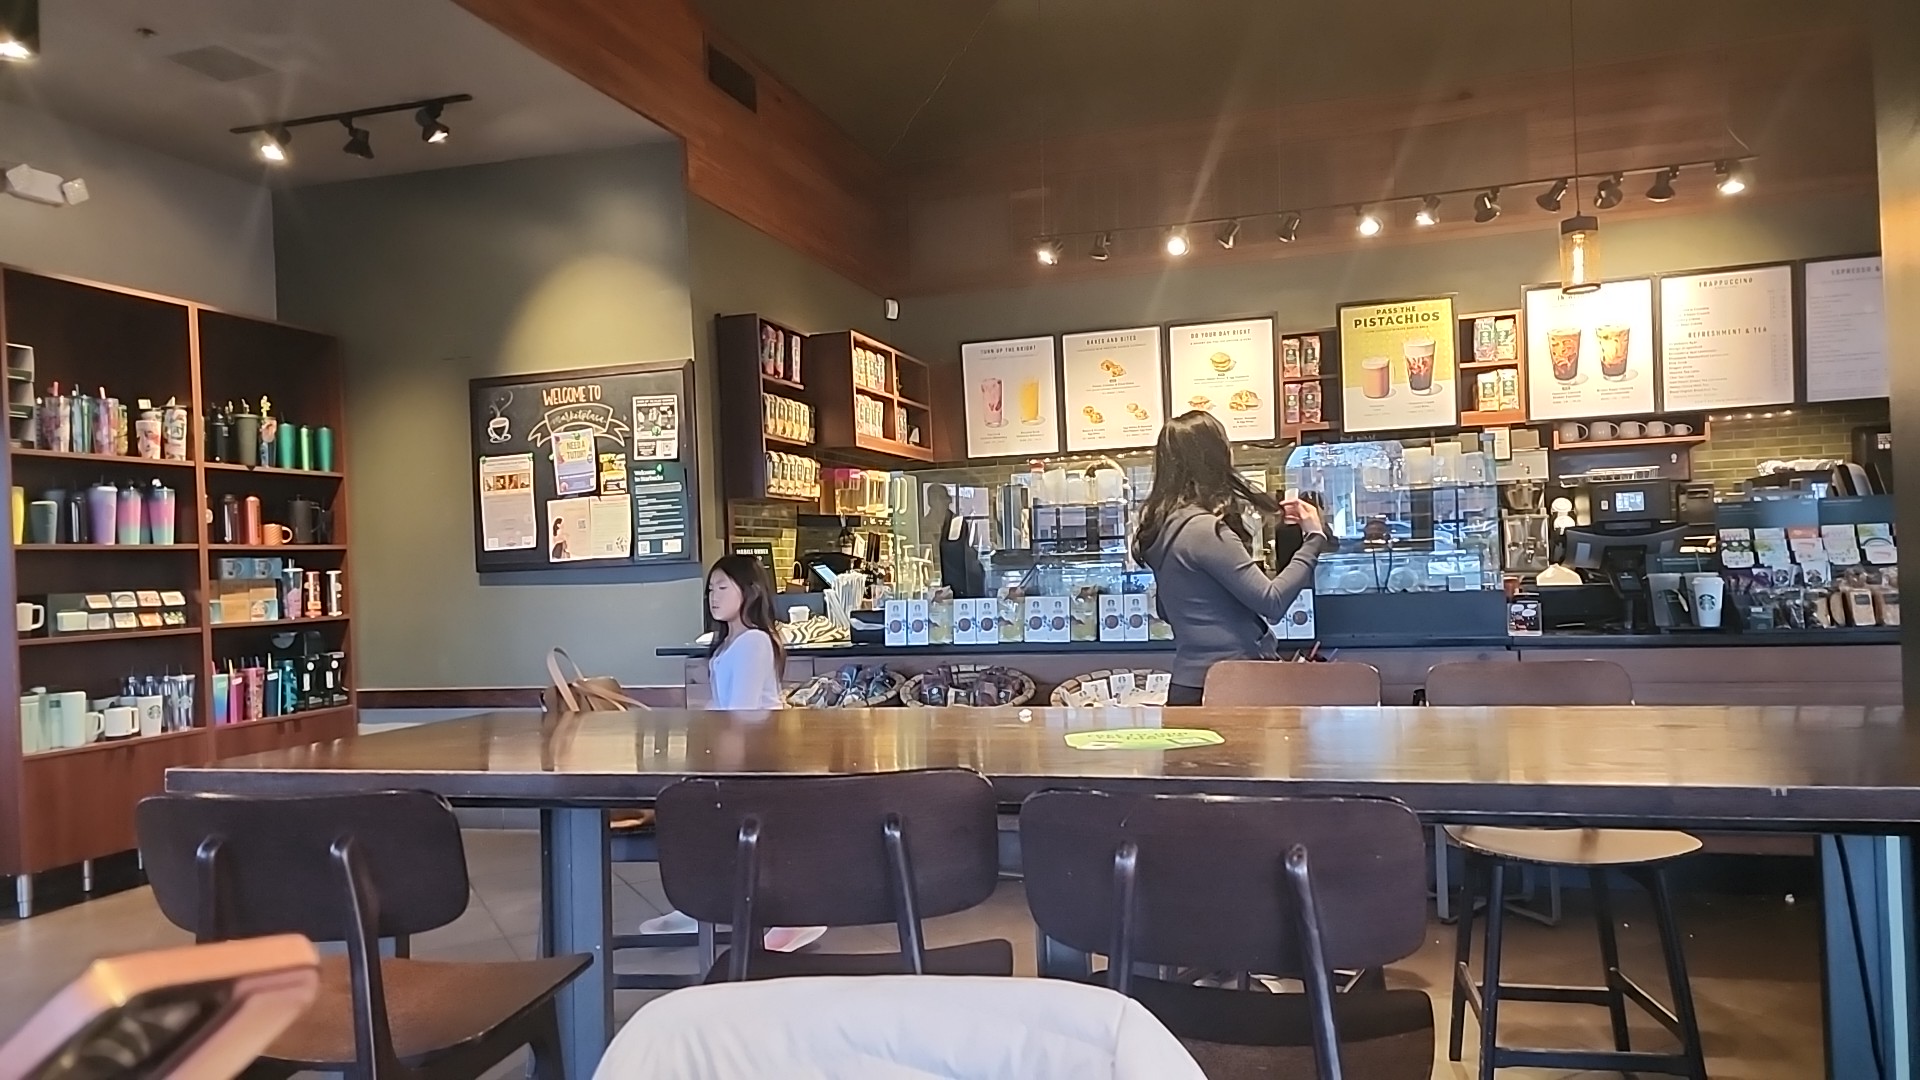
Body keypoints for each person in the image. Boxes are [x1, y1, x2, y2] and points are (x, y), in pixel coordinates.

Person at [639, 555, 824, 951]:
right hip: (744, 754)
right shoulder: (730, 642)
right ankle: (699, 906)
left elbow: (740, 712)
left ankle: (780, 917)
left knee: (702, 815)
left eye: (723, 587)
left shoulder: (754, 642)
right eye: (711, 588)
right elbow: (723, 707)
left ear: (750, 592)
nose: (714, 596)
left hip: (760, 760)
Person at [1135, 411, 1333, 706]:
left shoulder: (1162, 528)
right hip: (1231, 687)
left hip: (1187, 686)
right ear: (1215, 456)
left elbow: (1166, 609)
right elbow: (1272, 602)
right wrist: (1314, 537)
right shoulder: (1205, 530)